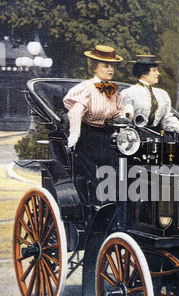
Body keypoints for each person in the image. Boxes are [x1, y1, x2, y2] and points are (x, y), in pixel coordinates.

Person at [63, 45, 125, 204]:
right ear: (94, 68)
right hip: (87, 135)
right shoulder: (87, 89)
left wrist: (127, 114)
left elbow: (117, 113)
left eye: (112, 66)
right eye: (106, 66)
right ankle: (96, 205)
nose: (110, 69)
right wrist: (75, 134)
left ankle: (113, 204)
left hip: (106, 134)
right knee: (93, 174)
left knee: (115, 169)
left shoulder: (113, 92)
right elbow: (75, 112)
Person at [121, 55, 179, 136]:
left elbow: (166, 119)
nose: (158, 73)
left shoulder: (162, 94)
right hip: (134, 137)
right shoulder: (129, 93)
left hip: (157, 136)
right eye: (154, 70)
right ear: (144, 74)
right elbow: (124, 120)